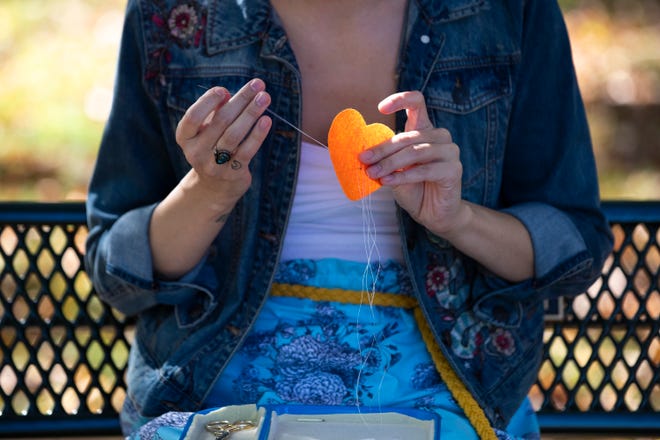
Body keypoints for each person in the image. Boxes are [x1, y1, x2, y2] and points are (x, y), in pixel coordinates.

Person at [85, 0, 613, 438]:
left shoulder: (506, 10)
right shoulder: (173, 14)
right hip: (213, 372)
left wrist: (458, 220)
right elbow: (119, 276)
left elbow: (574, 247)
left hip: (452, 373)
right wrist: (208, 193)